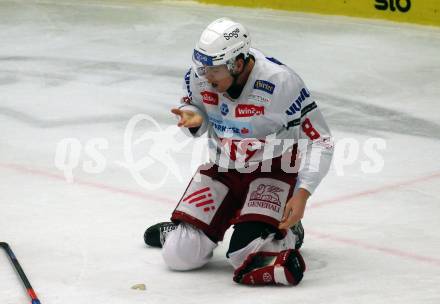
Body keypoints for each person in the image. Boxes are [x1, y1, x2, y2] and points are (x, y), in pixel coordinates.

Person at [144, 17, 333, 286]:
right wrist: (194, 118)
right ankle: (188, 230)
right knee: (178, 256)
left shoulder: (281, 83)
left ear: (239, 64)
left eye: (214, 70)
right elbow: (194, 106)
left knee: (242, 255)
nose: (206, 78)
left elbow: (320, 140)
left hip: (273, 170)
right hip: (223, 168)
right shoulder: (199, 76)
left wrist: (302, 193)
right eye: (203, 68)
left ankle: (287, 232)